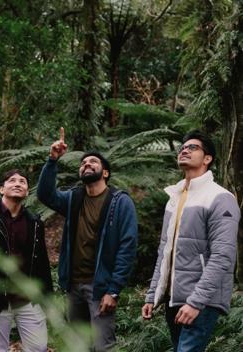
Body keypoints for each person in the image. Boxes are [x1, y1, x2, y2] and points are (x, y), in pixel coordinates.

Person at [37, 127, 138, 352]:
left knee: (104, 346)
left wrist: (114, 290)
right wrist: (52, 160)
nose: (87, 164)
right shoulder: (74, 198)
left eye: (93, 162)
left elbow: (127, 246)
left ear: (105, 173)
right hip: (73, 286)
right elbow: (45, 195)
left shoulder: (120, 202)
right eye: (83, 163)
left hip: (100, 287)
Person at [142, 130, 240, 352]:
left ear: (207, 159)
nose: (184, 149)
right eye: (182, 147)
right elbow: (164, 253)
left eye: (193, 147)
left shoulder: (220, 198)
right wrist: (152, 295)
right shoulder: (174, 198)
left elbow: (223, 256)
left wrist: (196, 301)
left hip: (201, 300)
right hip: (173, 299)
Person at [0, 169, 53, 352]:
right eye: (12, 180)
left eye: (22, 181)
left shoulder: (35, 222)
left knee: (39, 347)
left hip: (29, 298)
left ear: (27, 191)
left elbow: (42, 263)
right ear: (1, 189)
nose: (17, 184)